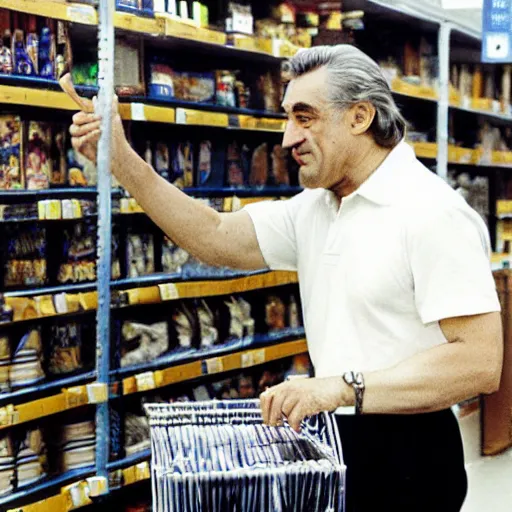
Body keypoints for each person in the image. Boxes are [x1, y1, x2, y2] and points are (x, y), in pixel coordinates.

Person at [69, 45, 503, 512]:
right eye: (287, 117)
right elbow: (214, 236)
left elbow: (478, 361)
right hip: (336, 437)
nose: (286, 138)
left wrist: (341, 387)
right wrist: (123, 162)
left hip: (410, 451)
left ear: (359, 117)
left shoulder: (431, 213)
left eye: (305, 116)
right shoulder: (317, 206)